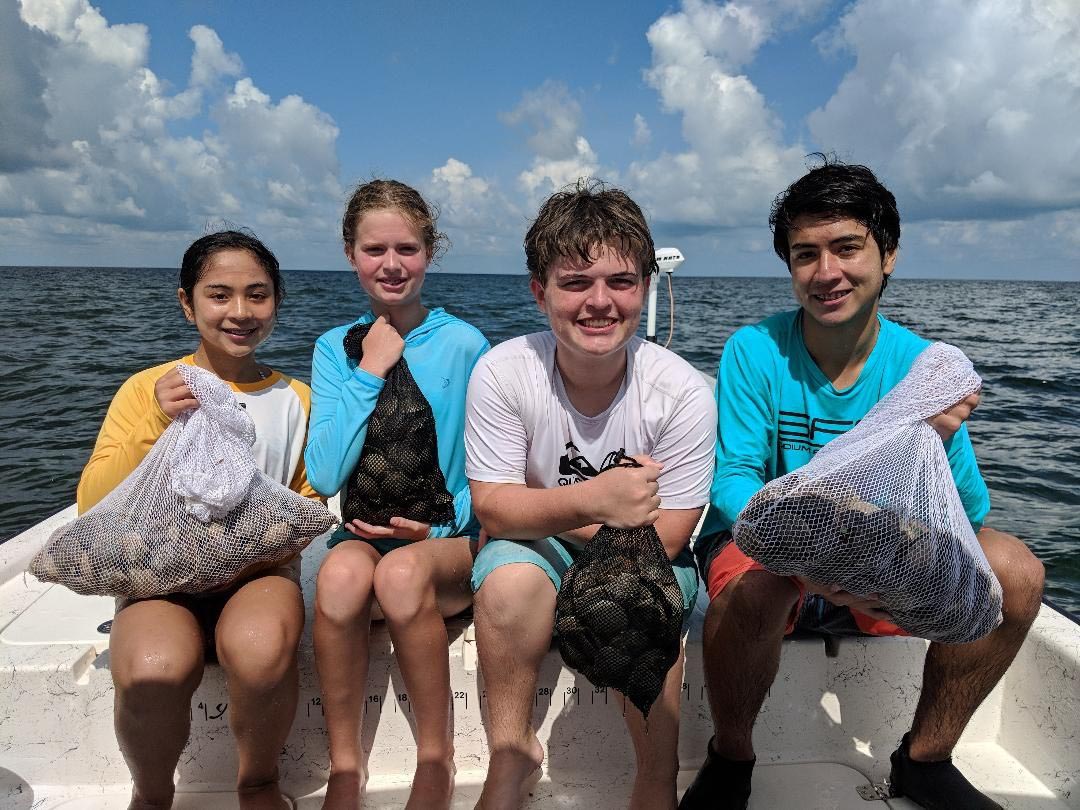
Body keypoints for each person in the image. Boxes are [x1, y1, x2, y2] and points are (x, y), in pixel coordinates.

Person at [681, 158, 1046, 810]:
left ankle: (926, 760)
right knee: (754, 588)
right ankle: (731, 758)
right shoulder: (754, 350)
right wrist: (807, 553)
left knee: (1016, 572)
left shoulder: (923, 367)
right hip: (773, 548)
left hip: (883, 556)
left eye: (847, 247)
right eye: (805, 254)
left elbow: (967, 510)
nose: (827, 272)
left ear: (888, 255)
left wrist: (927, 439)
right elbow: (735, 480)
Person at [464, 179, 717, 810]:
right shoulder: (502, 371)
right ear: (539, 291)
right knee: (506, 584)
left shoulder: (683, 392)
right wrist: (599, 502)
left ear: (645, 287)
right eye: (576, 283)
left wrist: (540, 507)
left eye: (621, 282)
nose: (599, 302)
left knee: (642, 593)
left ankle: (655, 778)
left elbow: (665, 539)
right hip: (541, 548)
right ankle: (511, 751)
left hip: (635, 557)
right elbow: (491, 505)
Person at [77, 230, 317, 810]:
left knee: (261, 652)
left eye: (257, 295)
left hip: (256, 575)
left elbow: (302, 498)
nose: (240, 312)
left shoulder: (297, 398)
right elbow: (94, 500)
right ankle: (152, 795)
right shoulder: (146, 389)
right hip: (158, 576)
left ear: (277, 303)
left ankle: (258, 783)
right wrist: (157, 419)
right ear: (187, 303)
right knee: (151, 669)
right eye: (219, 295)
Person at [305, 179, 489, 810]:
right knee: (337, 583)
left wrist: (440, 531)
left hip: (446, 542)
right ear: (350, 254)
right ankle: (345, 766)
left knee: (403, 576)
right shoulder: (335, 349)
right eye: (374, 249)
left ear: (429, 252)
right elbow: (326, 475)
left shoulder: (465, 345)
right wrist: (370, 368)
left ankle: (435, 757)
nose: (391, 264)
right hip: (359, 533)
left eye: (407, 248)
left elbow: (489, 465)